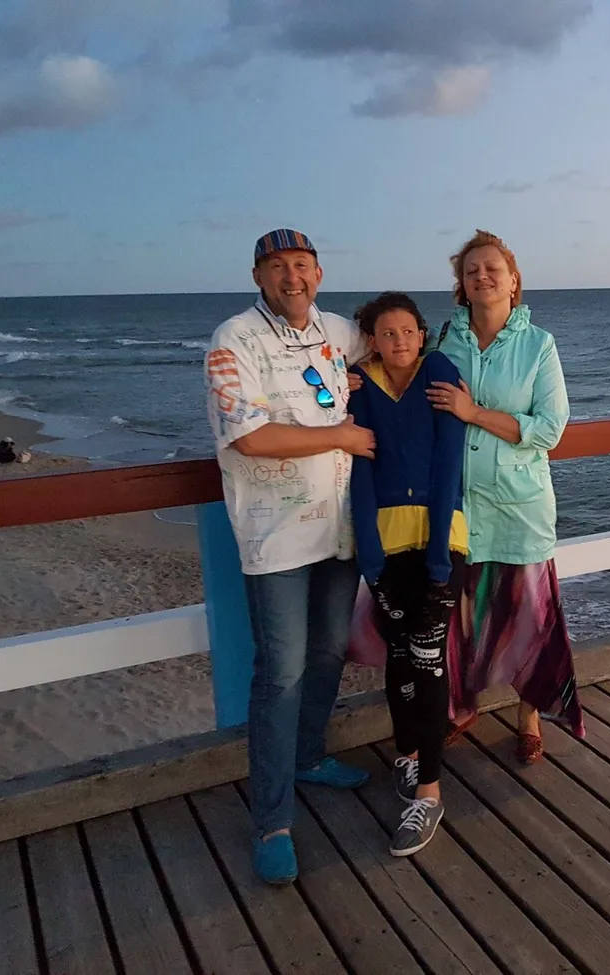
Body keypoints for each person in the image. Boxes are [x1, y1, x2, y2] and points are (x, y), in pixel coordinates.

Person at [204, 228, 376, 885]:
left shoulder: (336, 329)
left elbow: (397, 341)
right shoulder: (233, 341)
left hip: (340, 530)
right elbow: (249, 436)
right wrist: (343, 433)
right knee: (280, 672)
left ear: (319, 272)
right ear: (258, 276)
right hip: (274, 538)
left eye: (301, 266)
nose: (291, 277)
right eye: (277, 268)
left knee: (331, 648)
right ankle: (271, 820)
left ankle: (309, 755)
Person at [426, 229, 584, 763]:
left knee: (529, 616)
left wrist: (474, 414)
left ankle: (529, 711)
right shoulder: (443, 342)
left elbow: (551, 428)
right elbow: (402, 382)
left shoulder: (539, 345)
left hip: (519, 506)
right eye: (471, 271)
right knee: (461, 616)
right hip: (459, 506)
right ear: (461, 287)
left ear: (513, 282)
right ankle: (462, 707)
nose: (483, 276)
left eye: (493, 268)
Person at [347, 291, 466, 856]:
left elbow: (450, 462)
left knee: (427, 657)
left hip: (442, 541)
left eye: (408, 331)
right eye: (386, 333)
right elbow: (360, 473)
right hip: (386, 545)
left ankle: (430, 793)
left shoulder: (439, 372)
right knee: (399, 656)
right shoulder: (360, 385)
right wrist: (370, 558)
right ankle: (409, 753)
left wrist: (441, 553)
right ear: (372, 339)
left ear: (422, 334)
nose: (399, 341)